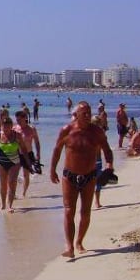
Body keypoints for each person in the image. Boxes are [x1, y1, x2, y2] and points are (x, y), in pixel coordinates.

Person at [50, 102, 114, 259]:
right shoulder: (67, 130)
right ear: (76, 114)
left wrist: (109, 166)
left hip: (90, 176)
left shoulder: (96, 131)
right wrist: (52, 170)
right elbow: (57, 150)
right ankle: (70, 247)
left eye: (88, 113)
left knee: (85, 213)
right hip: (69, 176)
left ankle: (79, 242)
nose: (87, 116)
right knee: (68, 211)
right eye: (83, 113)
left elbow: (107, 150)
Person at [0, 117, 24, 212]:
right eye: (4, 126)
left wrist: (26, 159)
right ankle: (3, 204)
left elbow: (23, 148)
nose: (5, 128)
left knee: (12, 182)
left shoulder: (17, 135)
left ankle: (10, 205)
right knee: (3, 184)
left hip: (14, 163)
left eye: (7, 126)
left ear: (11, 126)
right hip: (2, 163)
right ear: (1, 126)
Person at [14, 109, 42, 198]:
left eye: (19, 119)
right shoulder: (14, 128)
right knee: (14, 175)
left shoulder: (32, 129)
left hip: (28, 154)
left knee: (26, 175)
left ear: (25, 118)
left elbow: (37, 142)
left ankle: (24, 193)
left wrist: (38, 154)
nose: (17, 121)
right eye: (16, 119)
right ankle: (13, 194)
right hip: (17, 154)